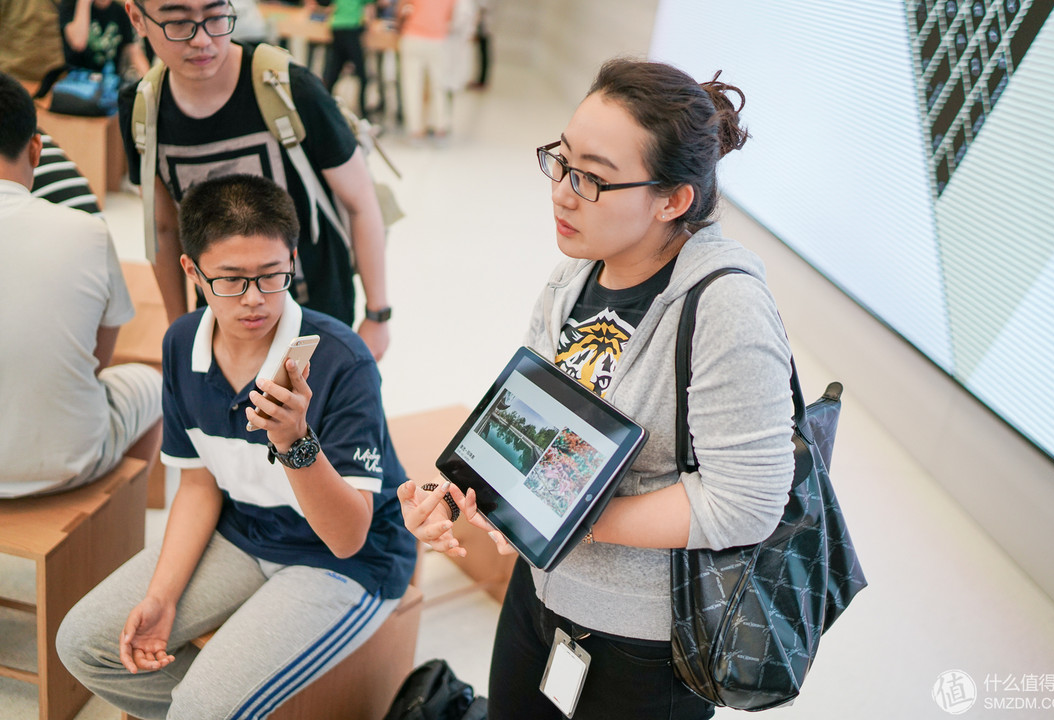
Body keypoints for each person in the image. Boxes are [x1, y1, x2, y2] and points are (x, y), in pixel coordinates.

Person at [398, 59, 796, 719]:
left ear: (673, 199)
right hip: (539, 599)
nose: (561, 192)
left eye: (593, 179)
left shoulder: (727, 309)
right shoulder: (572, 280)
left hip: (644, 643)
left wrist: (567, 520)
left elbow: (747, 503)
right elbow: (525, 419)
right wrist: (466, 492)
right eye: (560, 161)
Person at [56, 173, 416, 719]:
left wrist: (296, 442)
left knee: (204, 708)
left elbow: (347, 538)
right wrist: (163, 595)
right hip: (246, 530)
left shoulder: (343, 361)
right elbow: (198, 485)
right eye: (230, 279)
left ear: (292, 260)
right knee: (85, 643)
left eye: (273, 277)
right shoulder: (182, 344)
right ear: (192, 272)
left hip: (347, 563)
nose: (254, 301)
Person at [118, 0, 392, 360]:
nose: (202, 40)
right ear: (138, 18)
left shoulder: (292, 89)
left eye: (216, 17)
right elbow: (164, 228)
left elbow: (361, 201)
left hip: (319, 321)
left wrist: (378, 315)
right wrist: (179, 329)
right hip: (222, 328)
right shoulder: (142, 112)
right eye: (179, 22)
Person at [0, 71, 161, 498]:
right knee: (154, 385)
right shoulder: (86, 232)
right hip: (68, 461)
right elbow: (98, 359)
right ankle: (119, 521)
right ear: (37, 148)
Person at [396, 0, 456, 143]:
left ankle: (415, 131)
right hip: (438, 40)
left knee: (411, 85)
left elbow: (401, 10)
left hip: (413, 37)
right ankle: (439, 128)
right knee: (439, 86)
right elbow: (452, 16)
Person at [317, 0, 377, 118]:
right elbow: (370, 10)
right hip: (352, 29)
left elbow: (326, 5)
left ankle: (323, 107)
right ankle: (363, 113)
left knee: (332, 73)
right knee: (362, 76)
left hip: (336, 28)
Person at [60, 0, 151, 77]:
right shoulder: (72, 6)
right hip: (79, 81)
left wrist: (149, 80)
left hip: (109, 84)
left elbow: (133, 51)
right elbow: (78, 43)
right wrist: (84, 3)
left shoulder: (119, 11)